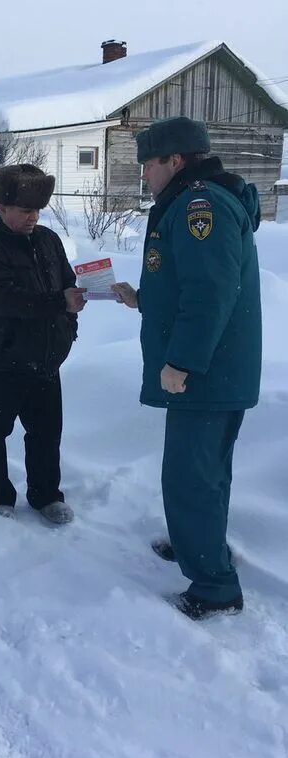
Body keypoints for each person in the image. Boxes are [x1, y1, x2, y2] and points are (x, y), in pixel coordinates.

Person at [112, 117, 262, 620]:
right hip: (212, 371)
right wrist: (143, 299)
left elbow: (211, 292)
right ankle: (200, 545)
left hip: (205, 373)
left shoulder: (201, 204)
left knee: (191, 477)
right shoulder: (194, 199)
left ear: (174, 160)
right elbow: (187, 282)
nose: (145, 176)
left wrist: (181, 362)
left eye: (148, 165)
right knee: (206, 472)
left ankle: (215, 588)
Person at [0, 163, 85, 523]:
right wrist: (59, 303)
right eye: (25, 210)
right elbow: (4, 301)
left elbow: (66, 281)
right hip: (1, 360)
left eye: (37, 210)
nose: (33, 217)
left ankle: (46, 495)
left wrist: (69, 322)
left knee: (47, 434)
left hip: (45, 360)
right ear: (1, 207)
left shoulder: (48, 241)